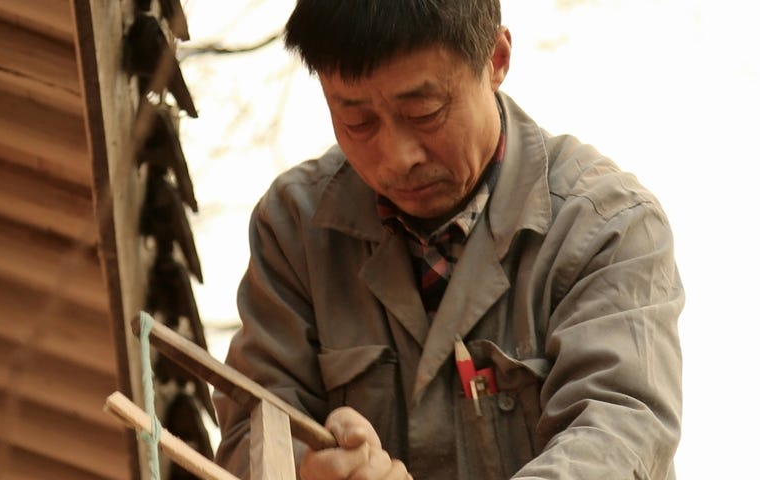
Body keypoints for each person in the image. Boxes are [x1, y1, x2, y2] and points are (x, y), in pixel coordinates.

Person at [211, 1, 684, 479]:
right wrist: (310, 470)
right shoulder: (295, 228)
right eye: (358, 122)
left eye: (424, 112)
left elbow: (618, 439)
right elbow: (249, 434)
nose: (396, 158)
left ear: (496, 59)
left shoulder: (606, 226)